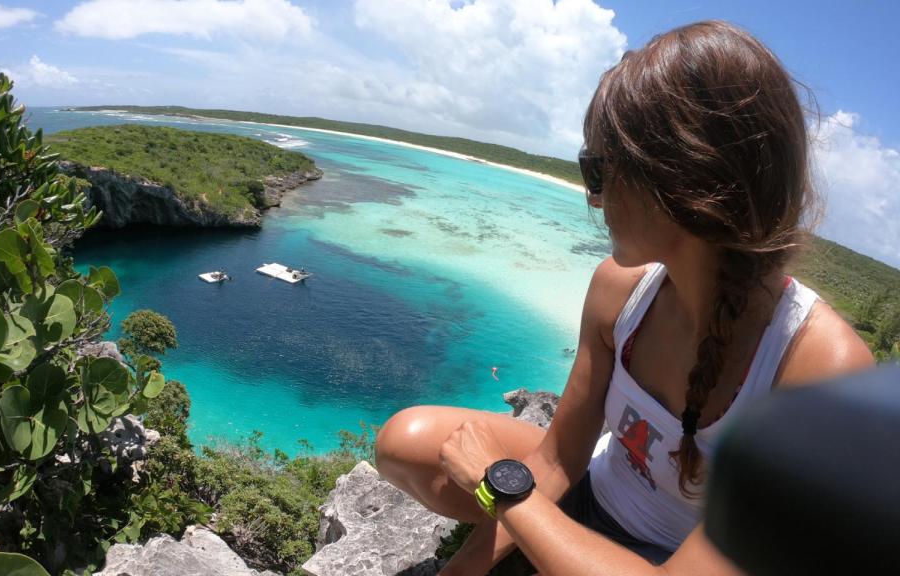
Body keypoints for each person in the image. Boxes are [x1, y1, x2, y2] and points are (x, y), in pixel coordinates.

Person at [374, 21, 874, 576]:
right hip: (590, 497)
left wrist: (503, 491)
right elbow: (560, 457)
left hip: (670, 560)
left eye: (597, 171)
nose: (593, 197)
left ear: (676, 182)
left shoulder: (819, 366)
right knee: (408, 441)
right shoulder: (620, 287)